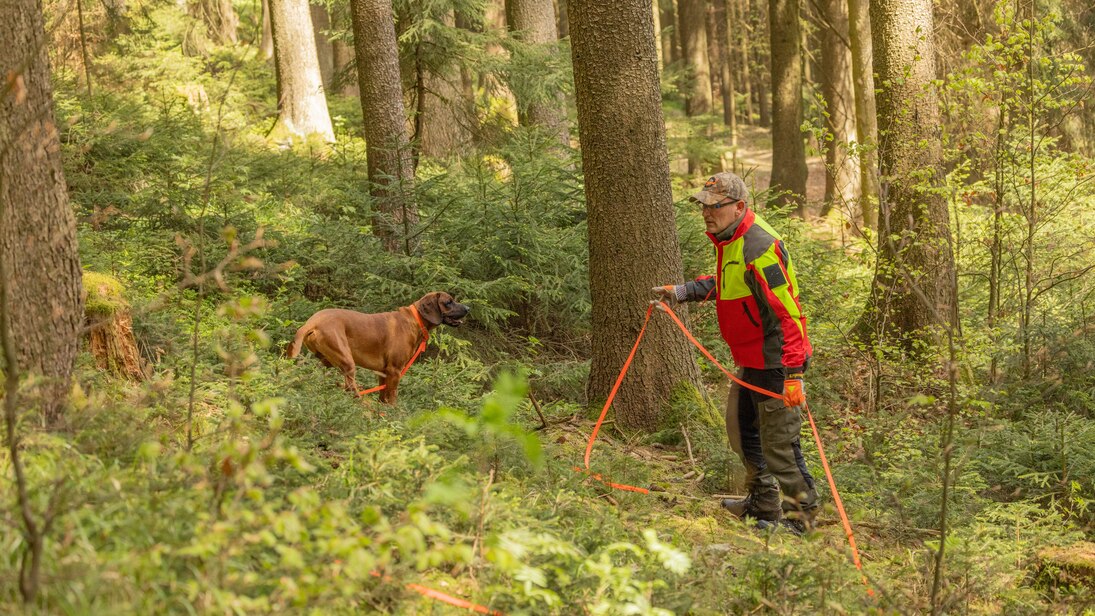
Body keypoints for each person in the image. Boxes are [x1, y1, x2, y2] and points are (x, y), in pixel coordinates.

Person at [653, 172, 818, 534]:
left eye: (714, 206)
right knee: (742, 432)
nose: (707, 214)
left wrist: (793, 374)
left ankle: (801, 520)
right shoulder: (730, 240)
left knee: (781, 445)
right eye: (703, 206)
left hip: (777, 361)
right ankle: (763, 503)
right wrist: (682, 292)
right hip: (751, 359)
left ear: (739, 206)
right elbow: (728, 285)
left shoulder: (760, 248)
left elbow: (789, 313)